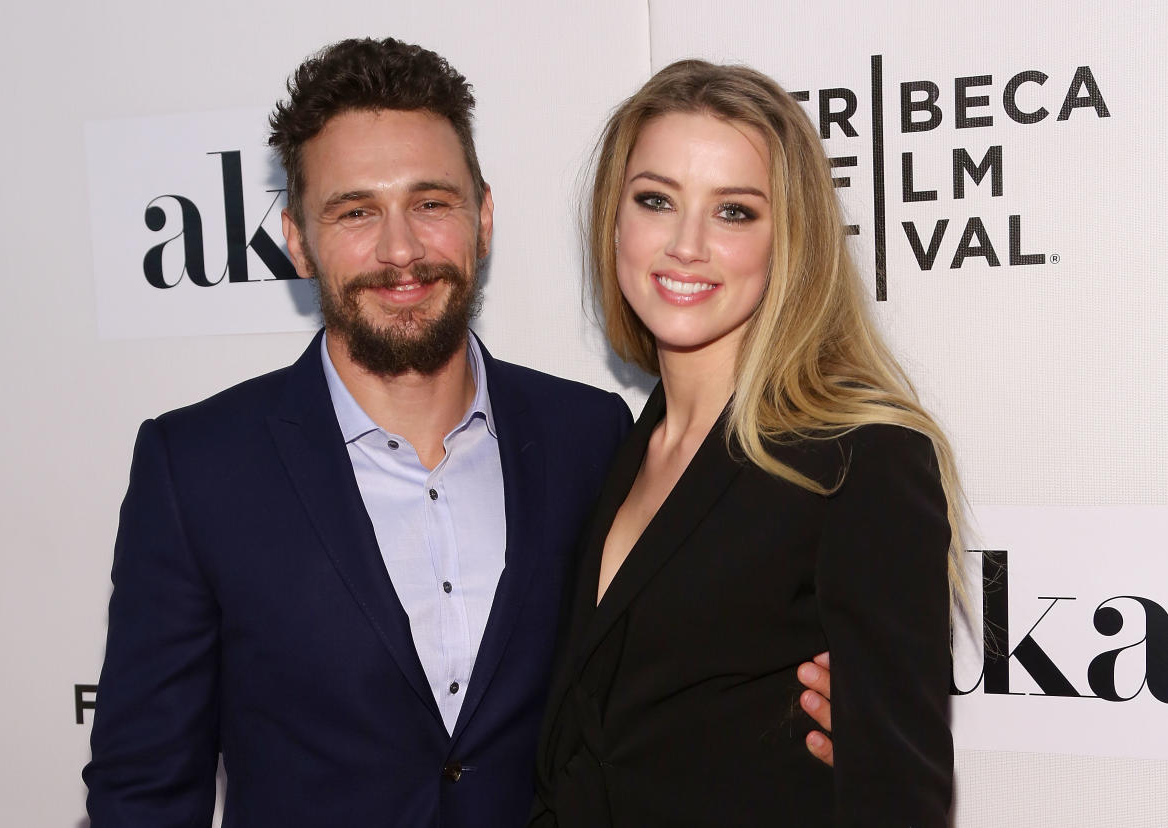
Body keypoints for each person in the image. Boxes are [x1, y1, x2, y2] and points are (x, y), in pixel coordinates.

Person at [82, 40, 835, 827]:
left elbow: (668, 685)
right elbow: (143, 790)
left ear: (483, 217)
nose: (400, 249)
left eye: (431, 203)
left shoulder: (590, 437)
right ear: (297, 238)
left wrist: (849, 712)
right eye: (356, 211)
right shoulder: (198, 468)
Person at [532, 59, 963, 826]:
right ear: (615, 218)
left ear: (788, 237)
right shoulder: (617, 448)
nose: (686, 245)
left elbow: (900, 796)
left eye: (734, 212)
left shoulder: (859, 459)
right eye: (656, 200)